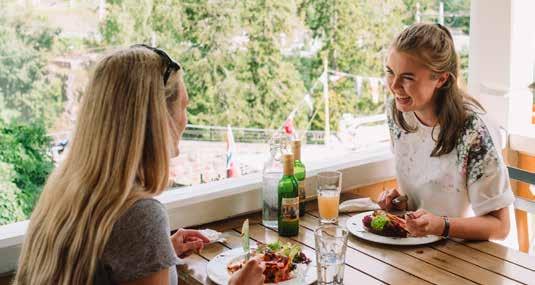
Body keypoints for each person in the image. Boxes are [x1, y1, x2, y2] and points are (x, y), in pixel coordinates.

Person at [13, 45, 264, 285]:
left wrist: (158, 252)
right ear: (157, 118)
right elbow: (129, 233)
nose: (186, 120)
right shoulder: (139, 215)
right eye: (184, 107)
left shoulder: (65, 189)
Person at [378, 23, 514, 240]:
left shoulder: (474, 130)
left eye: (408, 77)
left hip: (460, 254)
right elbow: (427, 188)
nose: (394, 85)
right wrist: (400, 202)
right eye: (390, 72)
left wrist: (441, 226)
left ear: (441, 79)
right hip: (414, 248)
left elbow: (500, 227)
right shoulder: (398, 113)